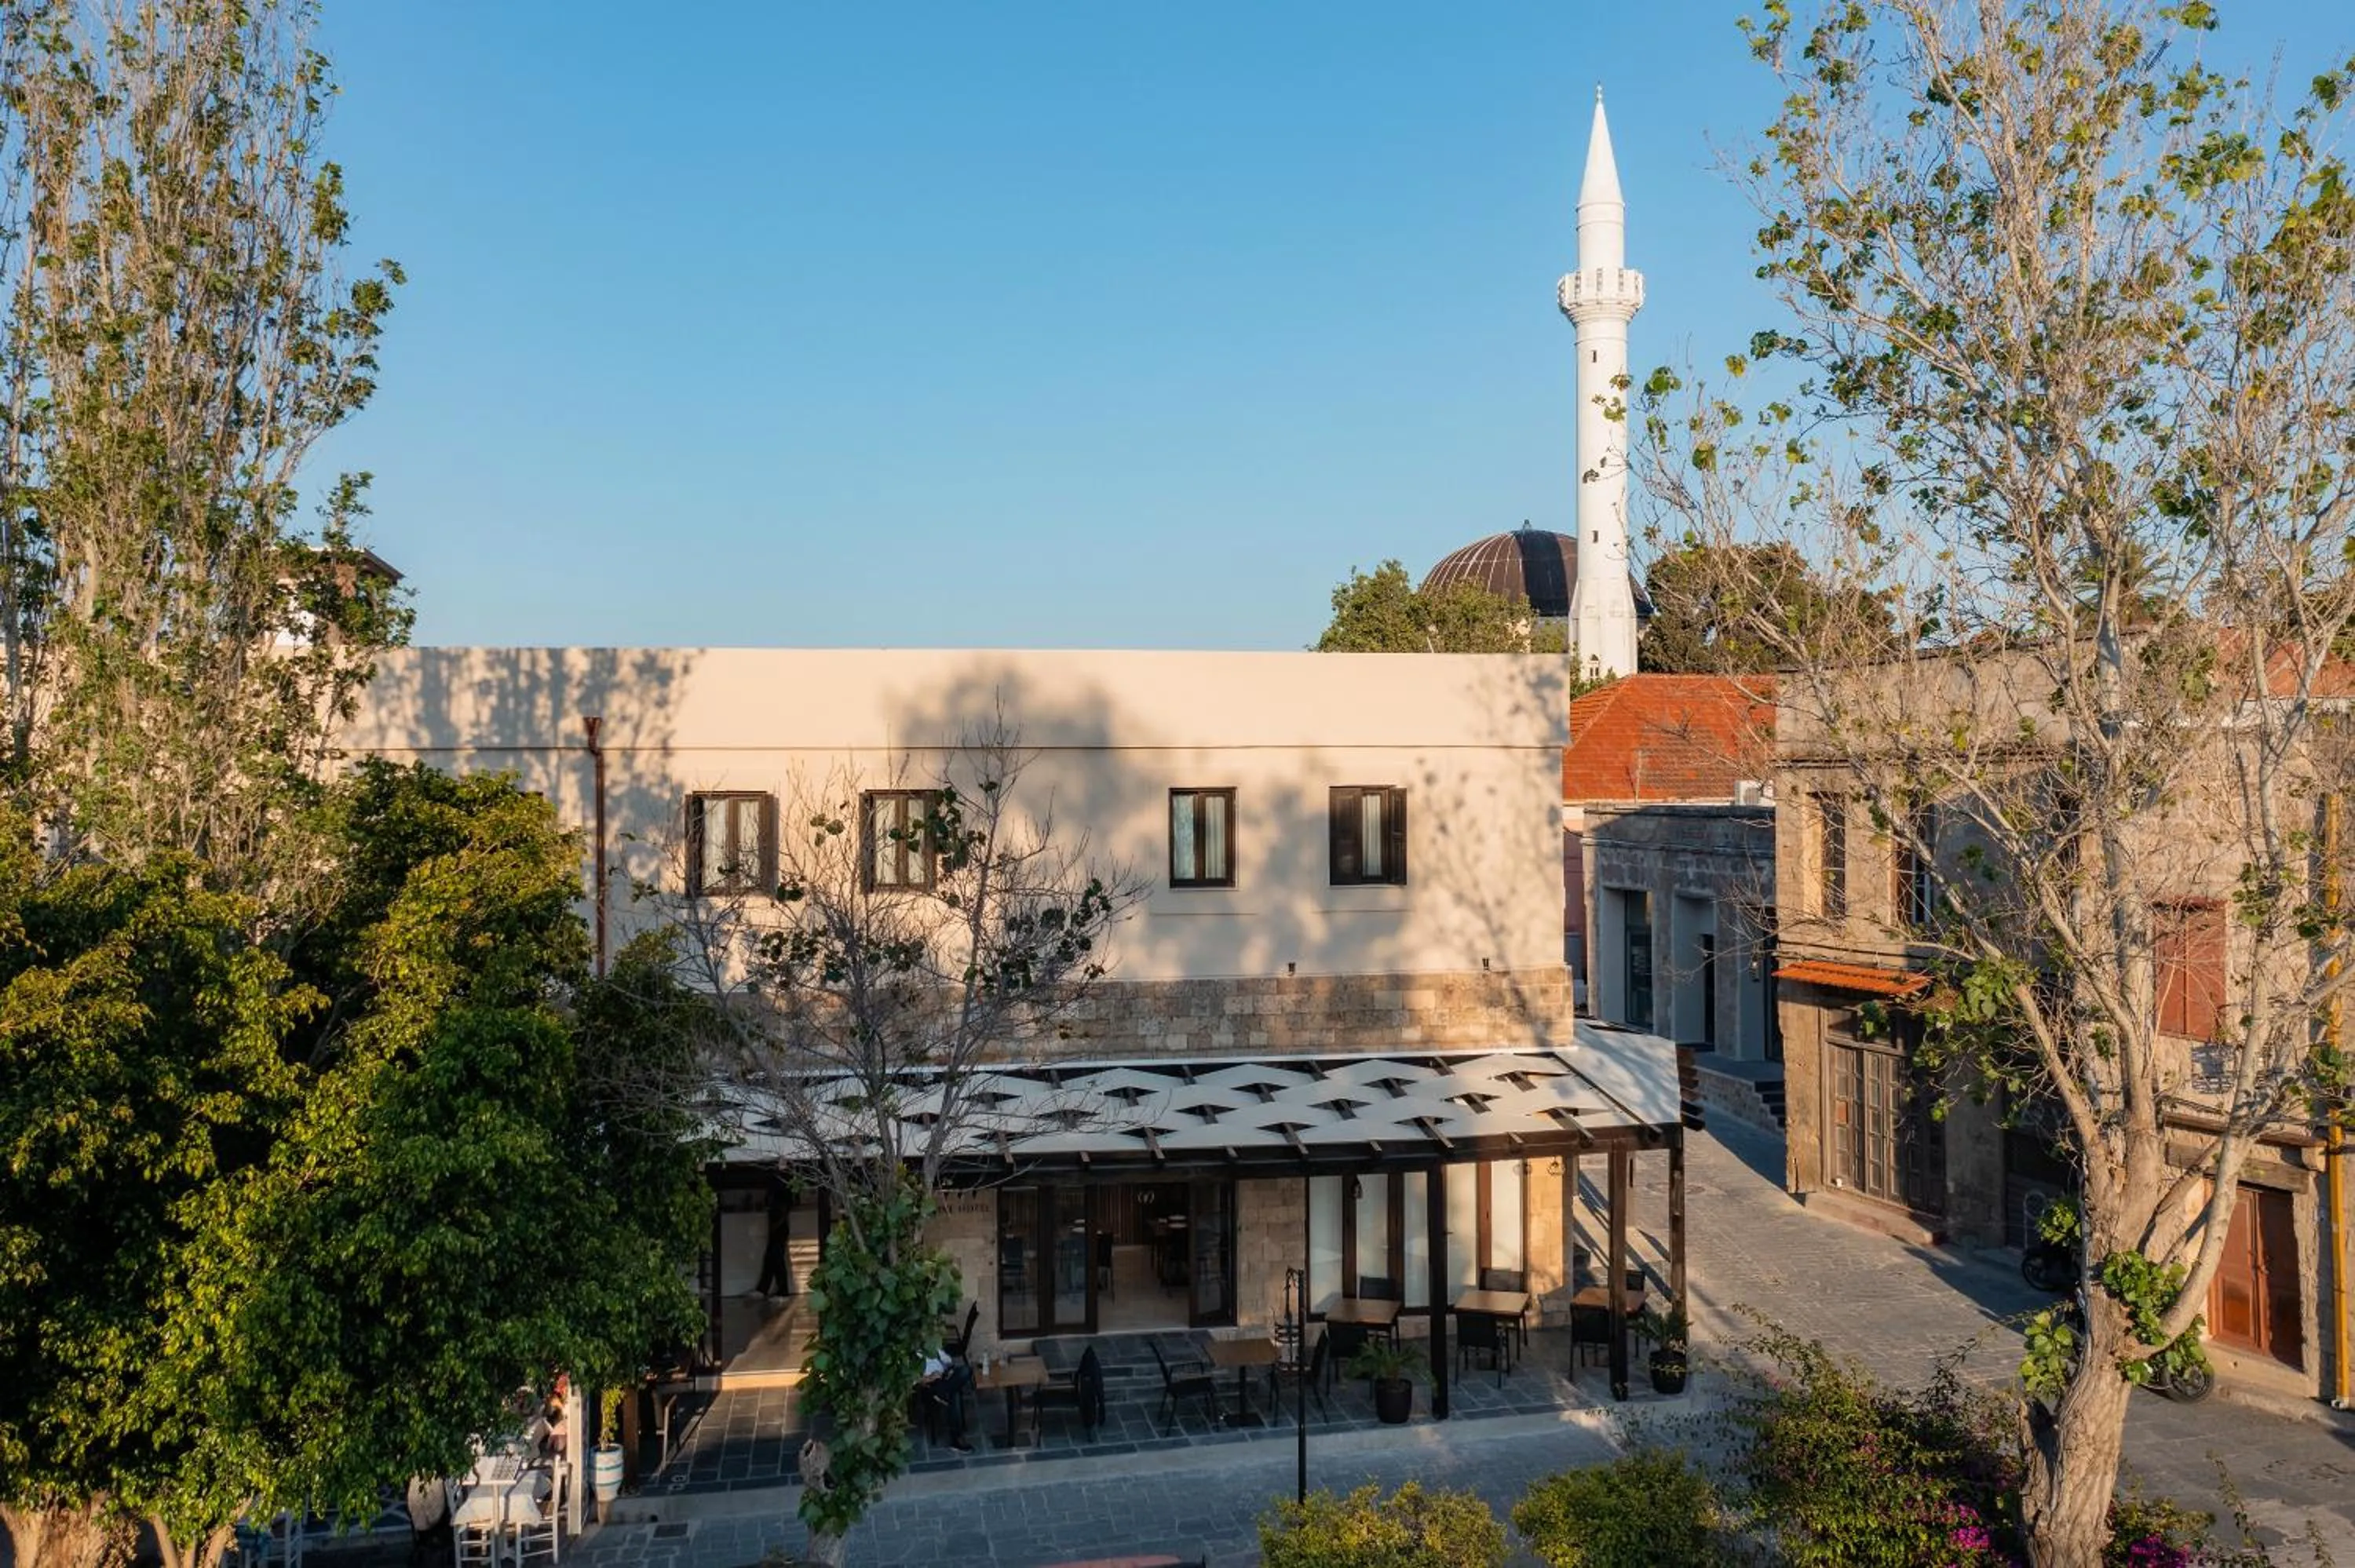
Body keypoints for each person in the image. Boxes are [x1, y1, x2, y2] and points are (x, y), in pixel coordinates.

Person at [917, 1344, 974, 1453]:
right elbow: (914, 1380)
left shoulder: (934, 1348)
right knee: (954, 1394)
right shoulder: (915, 1355)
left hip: (945, 1378)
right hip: (931, 1384)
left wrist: (949, 1370)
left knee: (966, 1370)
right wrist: (930, 1377)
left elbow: (949, 1362)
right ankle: (956, 1439)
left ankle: (942, 1393)